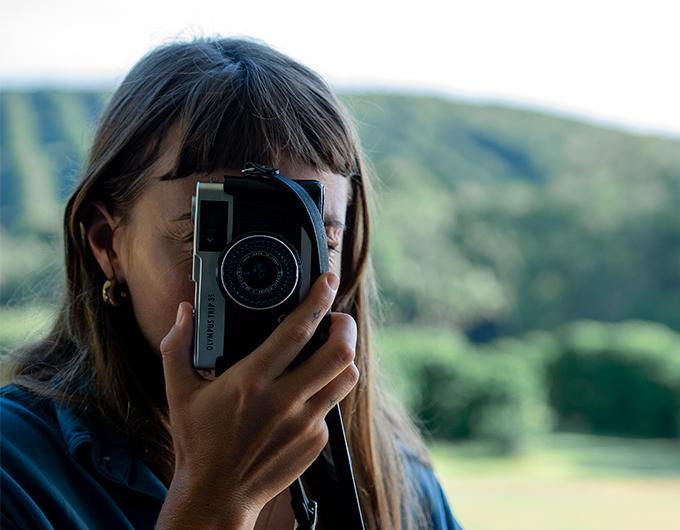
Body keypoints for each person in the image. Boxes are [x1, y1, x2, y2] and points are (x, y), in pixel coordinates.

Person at [0, 36, 462, 530]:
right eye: (216, 235)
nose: (266, 274)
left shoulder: (398, 484)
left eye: (310, 239)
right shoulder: (16, 473)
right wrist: (213, 499)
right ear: (108, 244)